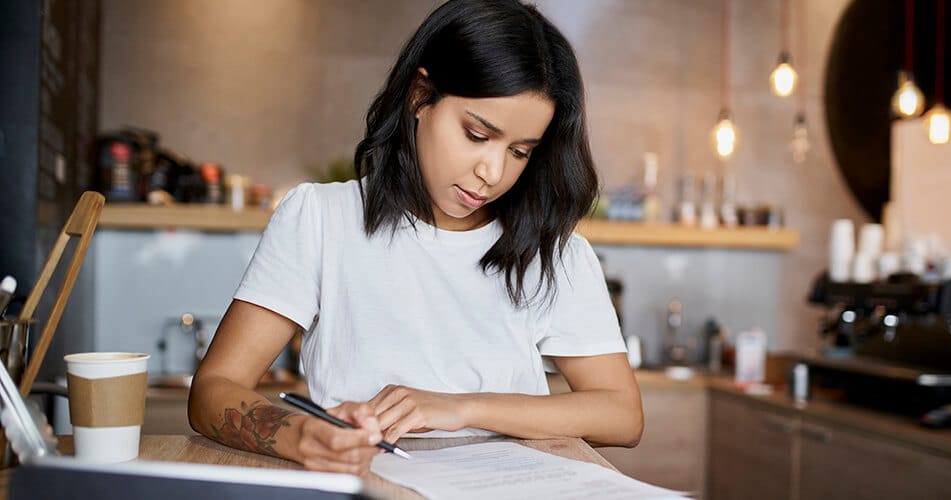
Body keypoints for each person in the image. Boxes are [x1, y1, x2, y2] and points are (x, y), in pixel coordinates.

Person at [188, 0, 642, 475]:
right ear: (420, 97)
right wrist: (300, 435)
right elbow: (214, 388)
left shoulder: (555, 252)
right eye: (476, 134)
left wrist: (458, 408)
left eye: (520, 152)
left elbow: (622, 416)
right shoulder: (321, 218)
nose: (492, 172)